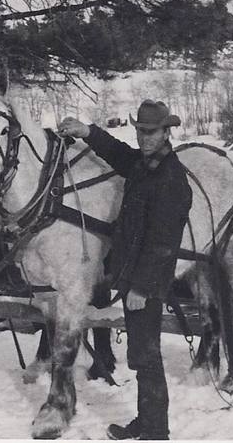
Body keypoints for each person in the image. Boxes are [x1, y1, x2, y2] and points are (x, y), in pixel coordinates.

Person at [58, 100, 192, 441]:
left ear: (166, 132)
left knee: (146, 356)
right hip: (135, 277)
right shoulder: (145, 165)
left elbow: (163, 243)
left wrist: (142, 288)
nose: (144, 138)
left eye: (150, 132)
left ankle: (155, 430)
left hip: (147, 283)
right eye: (140, 132)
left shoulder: (170, 178)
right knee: (140, 354)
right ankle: (149, 424)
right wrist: (88, 132)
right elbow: (117, 153)